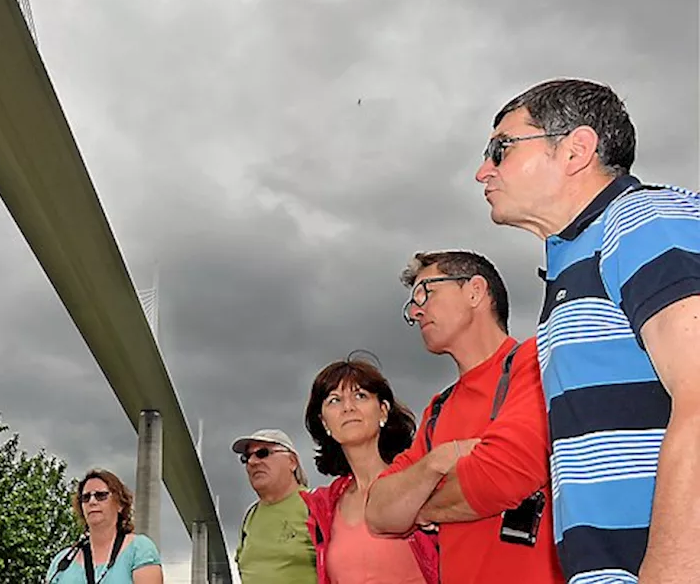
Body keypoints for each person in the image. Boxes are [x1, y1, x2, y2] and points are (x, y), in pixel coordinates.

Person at [475, 78, 700, 582]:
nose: (482, 171)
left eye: (500, 149)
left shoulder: (644, 221)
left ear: (576, 149)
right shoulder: (575, 261)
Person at [365, 250, 563, 584]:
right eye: (412, 304)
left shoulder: (536, 362)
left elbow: (502, 475)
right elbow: (379, 514)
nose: (415, 312)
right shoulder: (437, 410)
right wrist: (440, 460)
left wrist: (420, 508)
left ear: (475, 291)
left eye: (426, 293)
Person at [301, 357, 437, 584]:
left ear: (383, 410)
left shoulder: (418, 483)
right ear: (324, 422)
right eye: (334, 400)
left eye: (360, 395)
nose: (348, 407)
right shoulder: (326, 508)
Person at [45, 469, 162, 584]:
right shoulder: (62, 561)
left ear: (120, 504)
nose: (92, 501)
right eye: (85, 498)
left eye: (101, 495)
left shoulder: (139, 549)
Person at [231, 429, 316, 583]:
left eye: (263, 453)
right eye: (246, 457)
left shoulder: (317, 505)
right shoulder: (250, 516)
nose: (252, 462)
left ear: (292, 462)